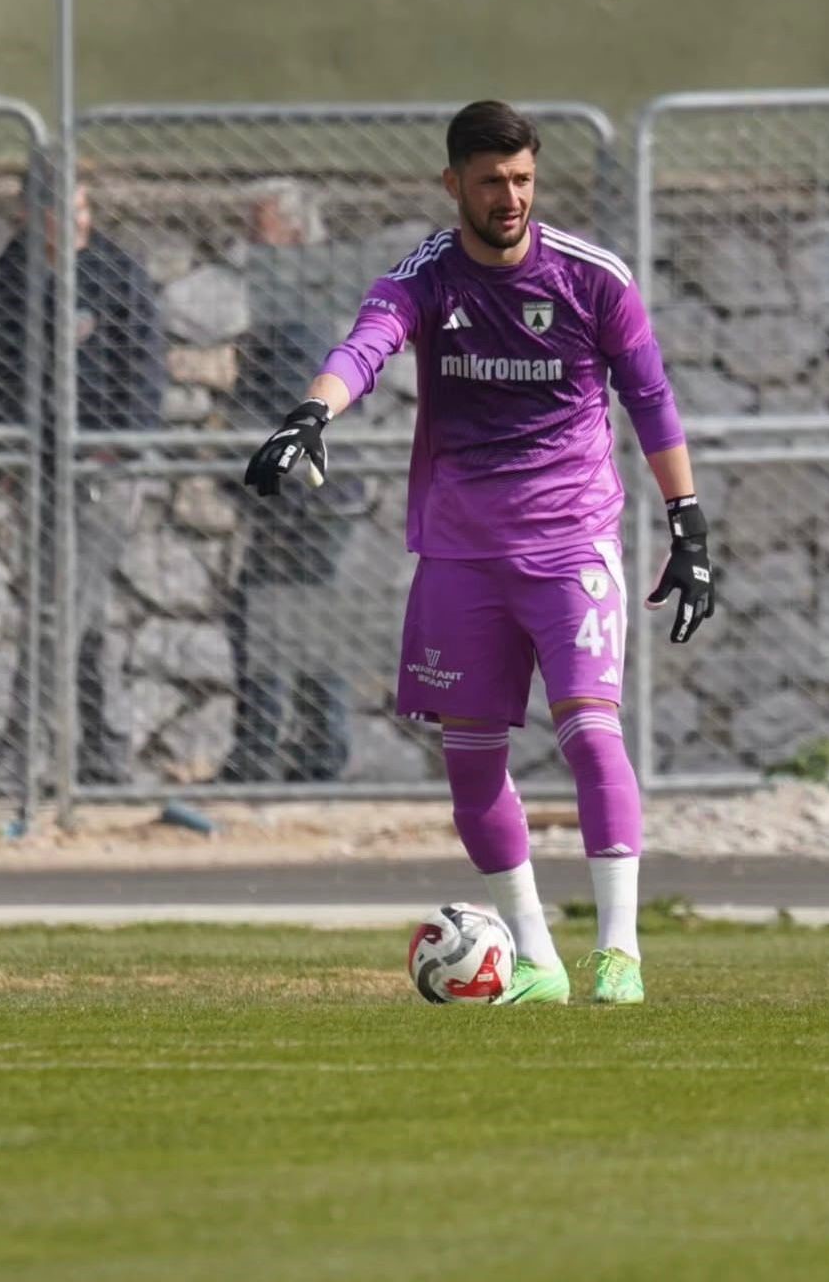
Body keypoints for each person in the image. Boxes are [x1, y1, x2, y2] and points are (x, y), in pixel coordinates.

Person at [244, 101, 714, 1004]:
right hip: (461, 555)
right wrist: (311, 413)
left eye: (524, 178)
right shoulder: (424, 278)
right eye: (492, 180)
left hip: (571, 543)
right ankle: (535, 957)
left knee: (591, 732)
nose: (511, 197)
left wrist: (687, 524)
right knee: (470, 764)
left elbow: (651, 398)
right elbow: (364, 347)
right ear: (453, 182)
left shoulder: (592, 279)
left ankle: (620, 953)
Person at [0, 176, 164, 783]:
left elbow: (145, 375)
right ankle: (107, 749)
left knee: (57, 610)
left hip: (103, 474)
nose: (76, 221)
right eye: (63, 209)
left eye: (82, 208)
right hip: (40, 469)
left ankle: (23, 748)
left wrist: (115, 451)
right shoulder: (12, 275)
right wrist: (7, 455)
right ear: (33, 214)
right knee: (85, 613)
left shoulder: (118, 274)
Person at [223, 179, 361, 783]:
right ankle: (313, 749)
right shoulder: (291, 300)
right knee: (295, 614)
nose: (248, 242)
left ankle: (271, 751)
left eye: (259, 228)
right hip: (307, 494)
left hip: (305, 497)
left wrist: (241, 431)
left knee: (269, 611)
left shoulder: (296, 309)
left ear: (294, 235)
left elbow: (289, 405)